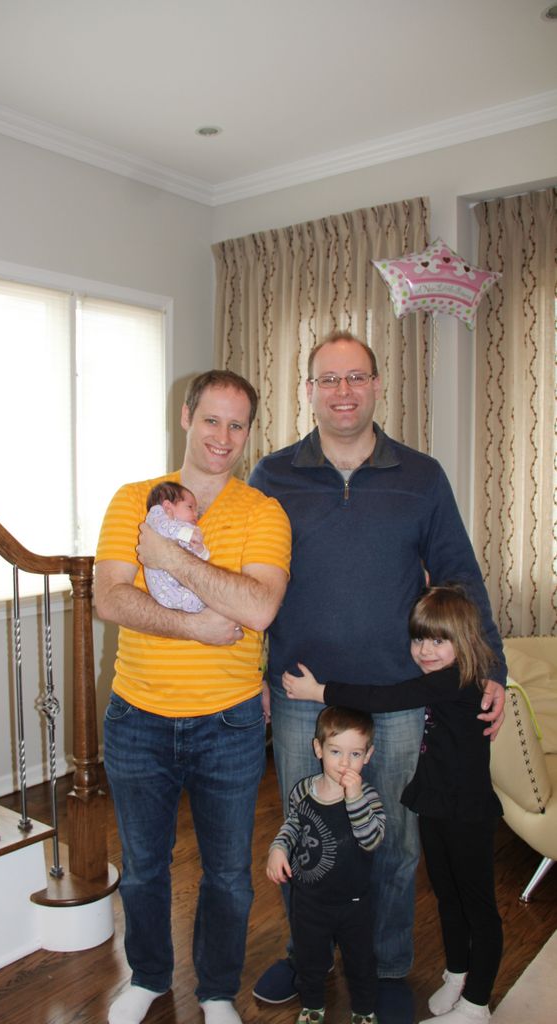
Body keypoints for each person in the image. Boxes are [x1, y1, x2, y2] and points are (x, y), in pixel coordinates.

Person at [248, 331, 506, 1020]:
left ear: (376, 385)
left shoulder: (421, 476)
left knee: (391, 840)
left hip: (396, 698)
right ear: (308, 390)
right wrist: (253, 675)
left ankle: (387, 962)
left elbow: (459, 576)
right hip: (301, 695)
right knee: (308, 836)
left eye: (355, 377)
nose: (343, 391)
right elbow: (247, 580)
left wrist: (491, 668)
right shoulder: (271, 475)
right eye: (328, 379)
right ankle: (309, 955)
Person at [94, 369, 291, 1024]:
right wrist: (197, 625)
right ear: (185, 417)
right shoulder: (132, 499)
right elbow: (110, 597)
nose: (223, 437)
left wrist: (170, 558)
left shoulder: (262, 512)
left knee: (228, 875)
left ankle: (215, 992)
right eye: (211, 419)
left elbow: (258, 607)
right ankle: (148, 977)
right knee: (143, 868)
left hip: (228, 723)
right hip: (137, 717)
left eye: (237, 424)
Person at [283, 584, 503, 1024]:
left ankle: (477, 1003)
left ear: (464, 640)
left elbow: (384, 699)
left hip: (467, 813)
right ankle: (457, 974)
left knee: (477, 905)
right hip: (437, 806)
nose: (425, 650)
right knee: (447, 896)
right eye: (419, 638)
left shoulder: (456, 681)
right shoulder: (442, 680)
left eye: (438, 640)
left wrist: (319, 692)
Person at [267, 706, 384, 1024]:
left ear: (368, 755)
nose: (344, 763)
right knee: (310, 961)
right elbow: (293, 825)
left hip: (354, 904)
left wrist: (354, 798)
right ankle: (312, 1005)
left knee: (361, 962)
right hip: (309, 902)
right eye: (335, 751)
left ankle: (364, 1009)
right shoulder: (303, 791)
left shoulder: (369, 798)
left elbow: (371, 840)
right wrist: (279, 847)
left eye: (355, 754)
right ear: (318, 749)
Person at [144, 481, 210, 612]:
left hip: (179, 584)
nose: (196, 514)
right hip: (165, 587)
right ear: (168, 506)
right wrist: (188, 534)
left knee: (209, 596)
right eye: (190, 507)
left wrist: (200, 550)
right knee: (202, 601)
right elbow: (164, 528)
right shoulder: (157, 515)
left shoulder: (184, 529)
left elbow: (198, 561)